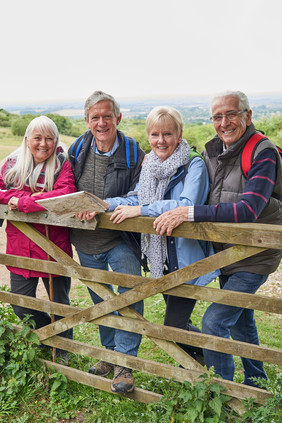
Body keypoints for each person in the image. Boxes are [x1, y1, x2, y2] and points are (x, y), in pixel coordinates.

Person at [153, 91, 282, 386]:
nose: (224, 122)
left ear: (247, 116)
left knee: (214, 322)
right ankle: (256, 381)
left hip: (255, 255)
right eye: (217, 116)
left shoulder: (262, 152)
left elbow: (249, 209)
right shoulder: (213, 151)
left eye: (232, 114)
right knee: (242, 323)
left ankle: (220, 391)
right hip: (225, 252)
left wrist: (189, 213)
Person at [103, 106, 219, 363]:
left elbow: (186, 203)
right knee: (180, 326)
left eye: (167, 134)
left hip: (187, 260)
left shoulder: (193, 164)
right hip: (163, 259)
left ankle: (213, 364)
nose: (161, 140)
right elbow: (136, 197)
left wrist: (141, 211)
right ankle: (200, 372)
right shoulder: (151, 165)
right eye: (155, 134)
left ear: (179, 134)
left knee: (173, 328)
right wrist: (103, 204)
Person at [68, 90, 146, 394]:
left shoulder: (131, 151)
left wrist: (104, 204)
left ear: (118, 118)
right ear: (87, 120)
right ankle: (109, 354)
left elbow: (141, 193)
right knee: (100, 299)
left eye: (107, 116)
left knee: (128, 296)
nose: (101, 122)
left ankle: (124, 364)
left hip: (120, 237)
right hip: (86, 240)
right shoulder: (76, 148)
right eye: (95, 117)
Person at [0, 115, 77, 363]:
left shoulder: (62, 163)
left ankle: (63, 351)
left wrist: (22, 201)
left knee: (60, 304)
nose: (43, 144)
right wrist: (22, 195)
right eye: (37, 138)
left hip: (54, 246)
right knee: (21, 304)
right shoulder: (11, 163)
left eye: (49, 138)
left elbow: (64, 194)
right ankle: (48, 338)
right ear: (27, 140)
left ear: (56, 141)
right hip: (20, 247)